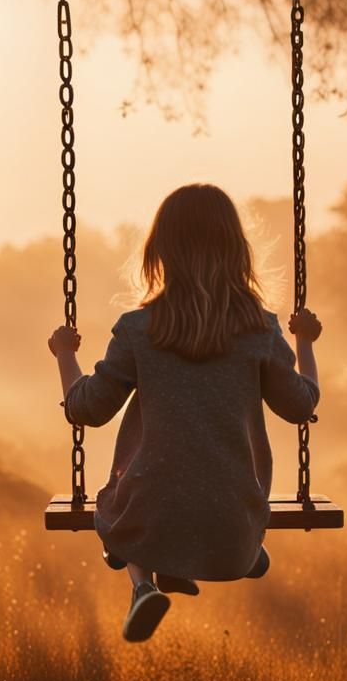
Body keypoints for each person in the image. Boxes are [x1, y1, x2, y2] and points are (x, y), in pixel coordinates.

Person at [48, 184, 321, 642]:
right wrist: (306, 343)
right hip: (233, 523)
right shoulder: (259, 328)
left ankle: (143, 586)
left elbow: (87, 410)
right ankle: (243, 549)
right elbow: (301, 405)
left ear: (159, 251)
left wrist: (64, 354)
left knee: (117, 506)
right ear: (237, 250)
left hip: (150, 516)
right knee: (210, 501)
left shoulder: (138, 329)